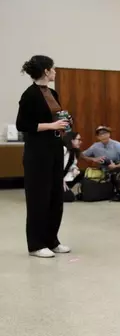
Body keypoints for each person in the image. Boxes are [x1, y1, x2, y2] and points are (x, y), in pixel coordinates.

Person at [15, 55, 71, 258]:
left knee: (56, 196)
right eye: (53, 69)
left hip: (54, 149)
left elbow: (55, 117)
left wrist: (64, 121)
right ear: (46, 71)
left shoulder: (53, 92)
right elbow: (23, 125)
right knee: (39, 198)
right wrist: (52, 126)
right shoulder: (29, 95)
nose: (55, 72)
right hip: (37, 153)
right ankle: (36, 245)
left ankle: (52, 240)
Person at [83, 126, 120, 202]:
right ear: (97, 137)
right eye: (100, 134)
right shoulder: (95, 146)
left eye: (105, 133)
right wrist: (93, 159)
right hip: (102, 171)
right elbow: (81, 155)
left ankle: (118, 190)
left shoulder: (118, 145)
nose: (103, 135)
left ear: (109, 134)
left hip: (116, 169)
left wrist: (116, 166)